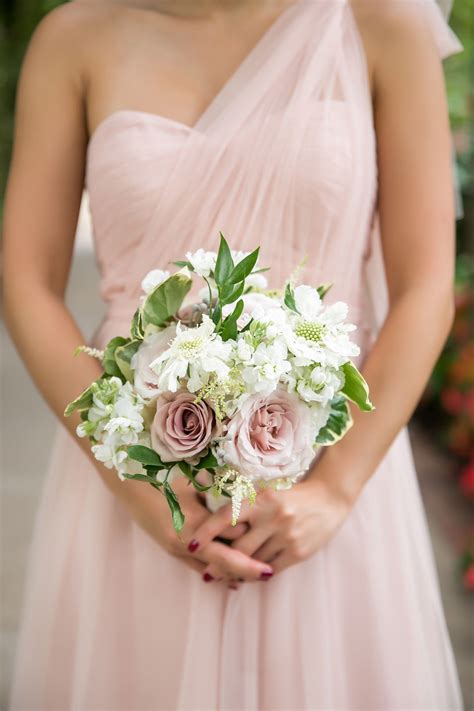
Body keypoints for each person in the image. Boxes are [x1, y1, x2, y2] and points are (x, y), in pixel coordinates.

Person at [3, 0, 464, 708]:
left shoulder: (379, 23)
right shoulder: (76, 37)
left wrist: (332, 489)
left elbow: (427, 282)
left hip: (328, 479)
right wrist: (134, 475)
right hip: (134, 484)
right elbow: (26, 280)